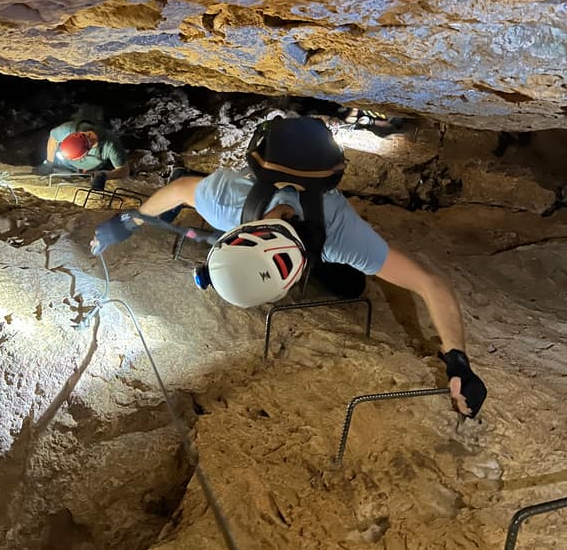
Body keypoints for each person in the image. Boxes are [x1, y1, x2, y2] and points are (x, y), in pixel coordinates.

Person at [90, 167, 487, 419]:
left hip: (323, 231)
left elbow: (429, 283)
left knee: (350, 285)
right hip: (269, 208)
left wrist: (458, 360)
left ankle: (331, 276)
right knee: (347, 284)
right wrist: (128, 222)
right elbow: (179, 188)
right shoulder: (225, 203)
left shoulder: (343, 238)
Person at [35, 117, 129, 189]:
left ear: (86, 153)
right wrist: (49, 163)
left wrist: (104, 176)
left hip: (92, 171)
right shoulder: (67, 129)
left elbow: (124, 170)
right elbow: (53, 138)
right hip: (66, 165)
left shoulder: (111, 145)